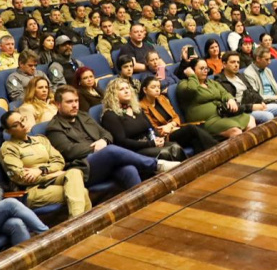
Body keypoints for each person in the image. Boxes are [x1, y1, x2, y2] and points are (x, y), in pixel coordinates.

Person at [46, 86, 179, 191]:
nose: (75, 105)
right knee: (110, 150)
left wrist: (103, 141)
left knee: (129, 169)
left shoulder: (83, 116)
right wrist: (95, 148)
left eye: (76, 101)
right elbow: (70, 151)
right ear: (58, 105)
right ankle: (156, 165)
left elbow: (106, 134)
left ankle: (144, 204)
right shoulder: (54, 127)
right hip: (83, 168)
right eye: (69, 102)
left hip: (104, 161)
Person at [0, 111, 91, 218]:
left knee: (75, 172)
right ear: (9, 131)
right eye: (16, 125)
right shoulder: (8, 148)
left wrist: (42, 170)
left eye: (23, 119)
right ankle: (80, 225)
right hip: (33, 189)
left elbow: (59, 161)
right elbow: (21, 176)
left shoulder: (40, 140)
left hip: (50, 179)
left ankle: (77, 224)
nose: (23, 124)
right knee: (81, 192)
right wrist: (52, 174)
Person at [100, 79, 186, 162]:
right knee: (165, 153)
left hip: (150, 143)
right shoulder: (110, 115)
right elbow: (122, 142)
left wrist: (159, 138)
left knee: (176, 147)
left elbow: (151, 127)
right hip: (134, 150)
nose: (126, 91)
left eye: (127, 88)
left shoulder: (136, 109)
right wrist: (151, 144)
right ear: (113, 94)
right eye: (121, 89)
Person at [175, 59, 255, 139]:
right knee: (236, 131)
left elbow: (224, 93)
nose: (205, 71)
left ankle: (251, 148)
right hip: (206, 121)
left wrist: (230, 99)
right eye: (201, 68)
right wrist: (192, 76)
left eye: (206, 68)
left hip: (223, 114)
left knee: (250, 120)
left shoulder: (211, 82)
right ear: (192, 70)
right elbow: (192, 89)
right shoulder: (184, 84)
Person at [139, 77, 221, 153]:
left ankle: (204, 161)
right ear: (145, 90)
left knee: (195, 138)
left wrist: (170, 125)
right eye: (153, 87)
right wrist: (170, 128)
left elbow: (176, 117)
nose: (157, 90)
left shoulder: (162, 98)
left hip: (174, 128)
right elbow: (154, 129)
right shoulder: (142, 106)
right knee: (191, 128)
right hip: (165, 137)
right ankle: (217, 148)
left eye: (158, 87)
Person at [216, 52, 275, 124]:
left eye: (238, 62)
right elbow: (231, 106)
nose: (236, 65)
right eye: (233, 62)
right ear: (224, 64)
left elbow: (252, 90)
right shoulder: (220, 82)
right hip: (242, 112)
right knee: (268, 116)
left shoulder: (240, 76)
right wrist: (252, 107)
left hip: (254, 105)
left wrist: (261, 101)